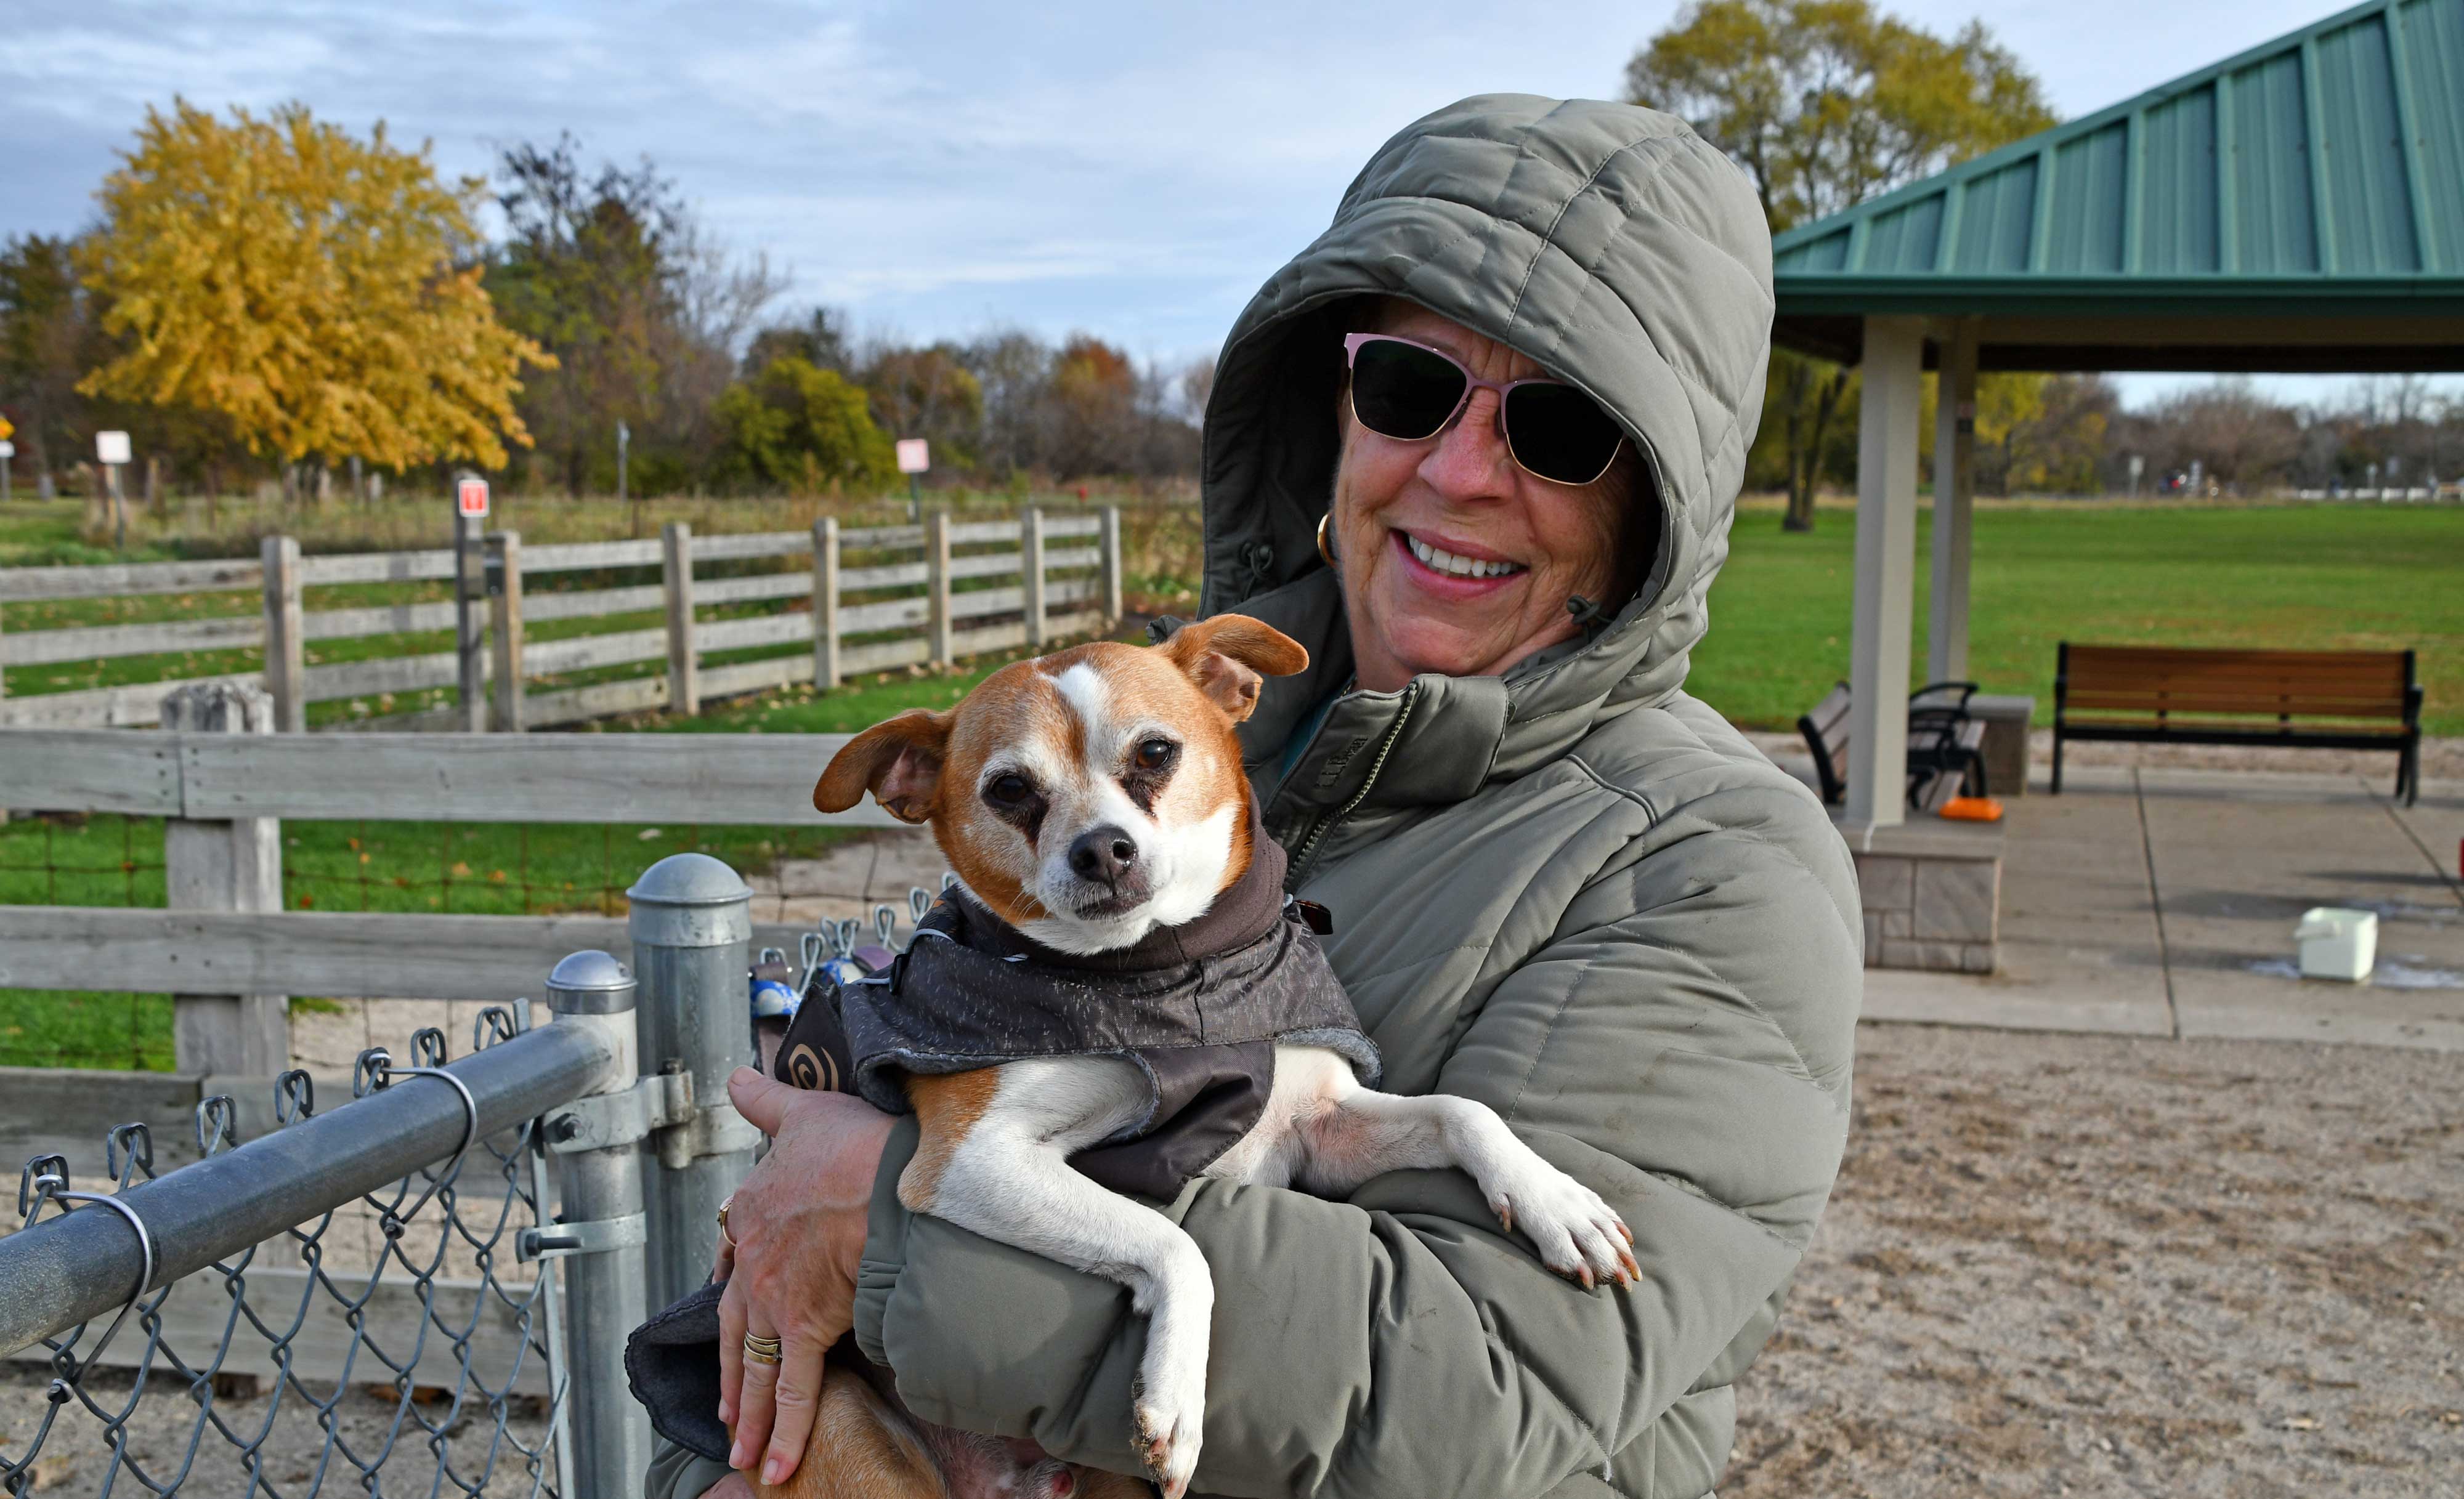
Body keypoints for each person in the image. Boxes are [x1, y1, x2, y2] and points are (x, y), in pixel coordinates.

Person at [652, 92, 1859, 1499]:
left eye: (1559, 428)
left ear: (1646, 506)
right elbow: (783, 1323)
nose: (1460, 470)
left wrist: (884, 1226)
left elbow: (1477, 1375)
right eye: (1408, 388)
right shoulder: (1174, 757)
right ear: (1330, 413)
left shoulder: (1714, 860)